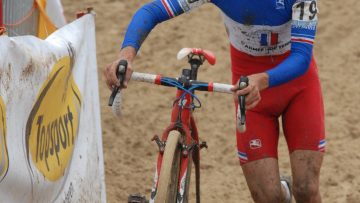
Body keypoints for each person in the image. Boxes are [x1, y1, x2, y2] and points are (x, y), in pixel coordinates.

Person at [104, 0, 325, 202]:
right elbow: (152, 11)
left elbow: (302, 57)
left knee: (306, 188)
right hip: (248, 94)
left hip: (298, 89)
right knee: (269, 197)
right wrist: (126, 54)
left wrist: (264, 80)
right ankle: (283, 192)